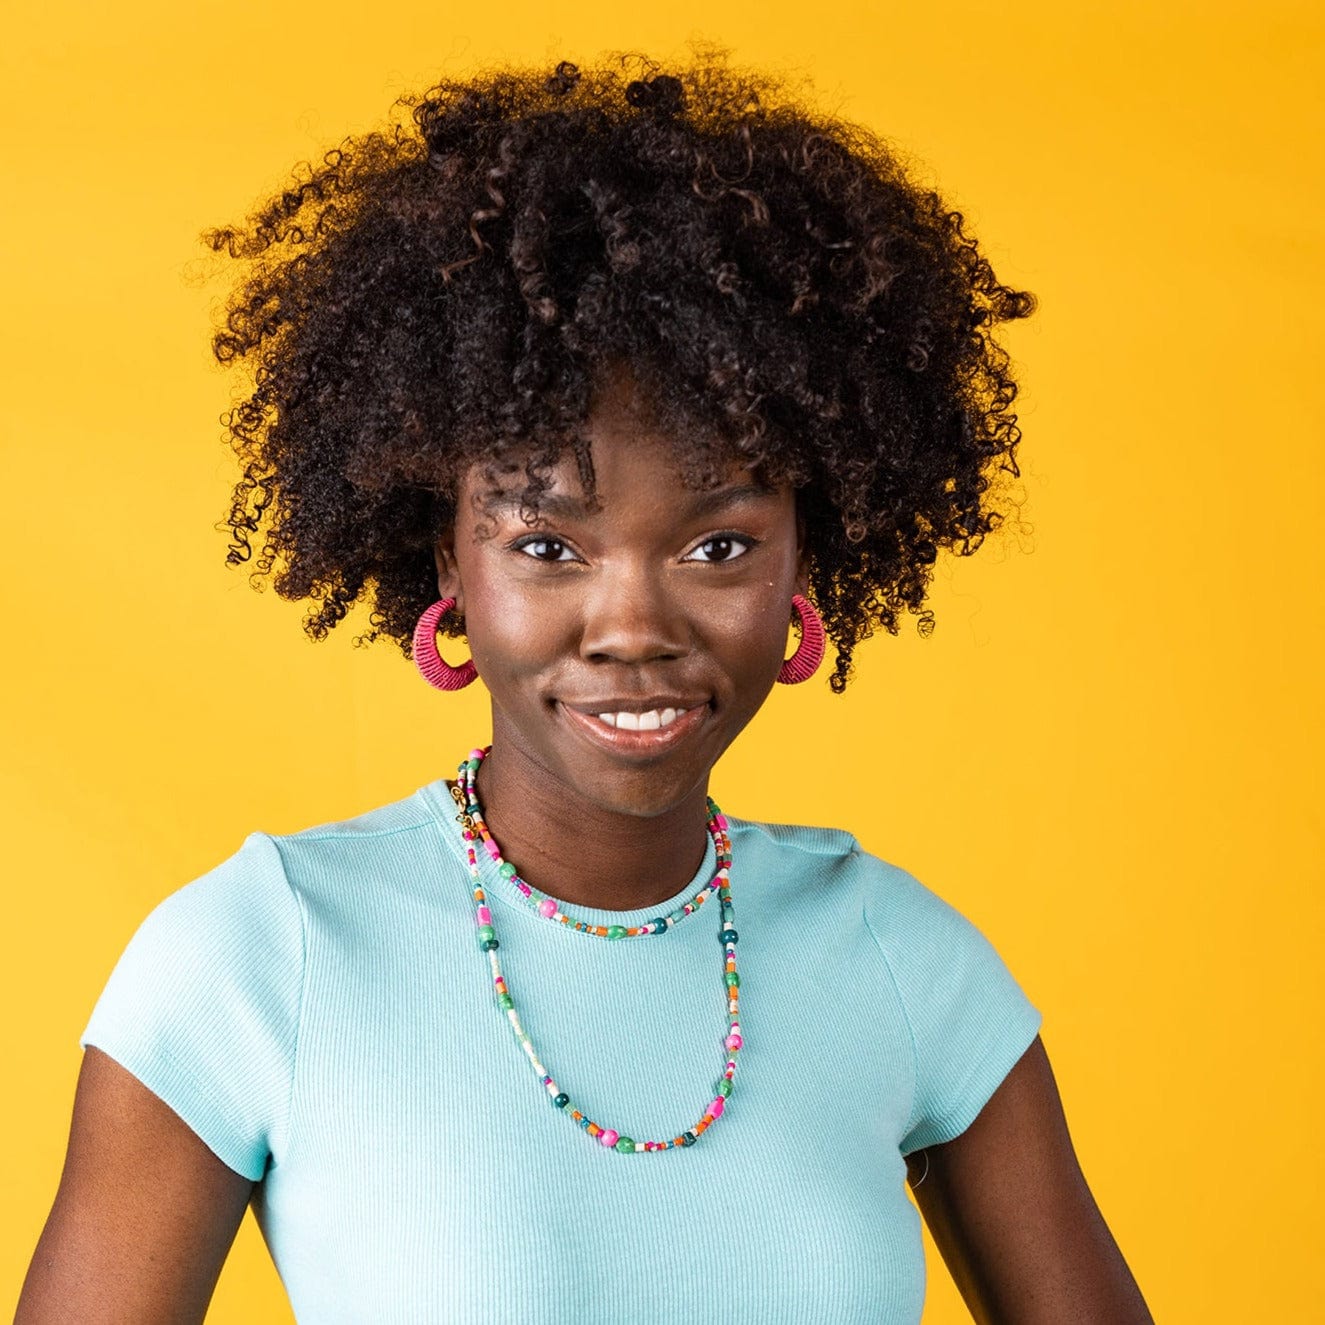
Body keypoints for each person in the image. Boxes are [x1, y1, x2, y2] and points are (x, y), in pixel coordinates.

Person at [17, 48, 1153, 1324]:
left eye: (717, 545)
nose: (632, 625)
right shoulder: (259, 951)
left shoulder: (896, 955)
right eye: (547, 545)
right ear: (447, 555)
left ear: (801, 562)